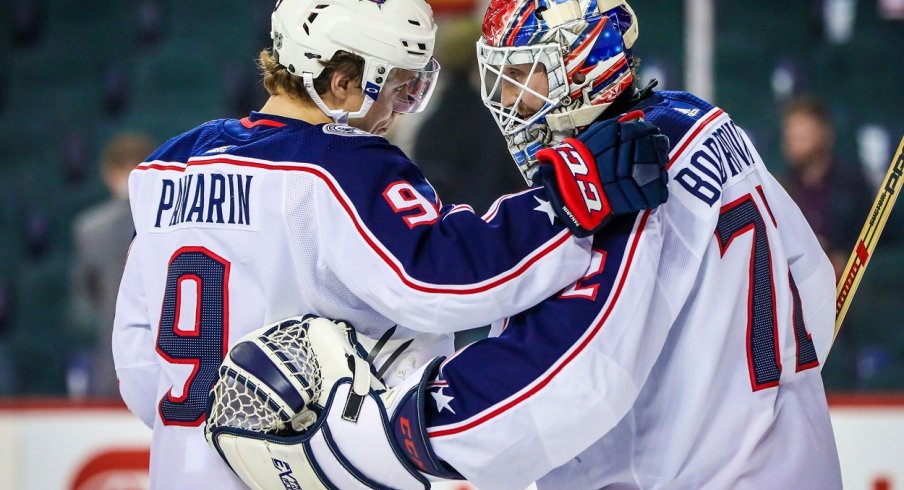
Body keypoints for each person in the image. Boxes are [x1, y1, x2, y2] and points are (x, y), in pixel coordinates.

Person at [207, 1, 843, 489]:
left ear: (585, 61)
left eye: (524, 74)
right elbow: (811, 287)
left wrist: (378, 441)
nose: (507, 100)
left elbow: (571, 375)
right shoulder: (701, 121)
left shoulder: (628, 176)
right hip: (791, 458)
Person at [111, 0, 668, 487]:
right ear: (343, 82)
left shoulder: (167, 166)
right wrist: (573, 198)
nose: (400, 110)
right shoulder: (339, 162)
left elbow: (139, 371)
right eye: (401, 88)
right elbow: (438, 275)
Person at [71, 132, 156, 397]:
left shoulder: (90, 228)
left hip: (113, 364)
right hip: (170, 365)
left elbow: (87, 295)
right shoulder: (176, 225)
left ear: (108, 173)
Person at [780, 95, 872, 279]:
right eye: (790, 136)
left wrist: (845, 257)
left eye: (801, 136)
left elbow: (878, 241)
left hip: (847, 289)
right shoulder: (780, 189)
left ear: (824, 135)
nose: (793, 143)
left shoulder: (853, 187)